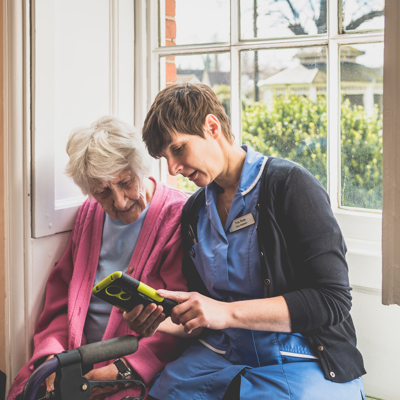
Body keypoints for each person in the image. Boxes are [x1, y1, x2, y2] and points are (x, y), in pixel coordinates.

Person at [124, 83, 367, 399]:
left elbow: (332, 300)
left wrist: (226, 313)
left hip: (301, 355)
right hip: (222, 352)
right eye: (164, 157)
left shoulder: (290, 185)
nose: (172, 168)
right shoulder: (195, 210)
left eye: (179, 149)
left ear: (212, 127)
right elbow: (204, 318)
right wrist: (156, 322)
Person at [7, 116, 188, 400]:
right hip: (75, 360)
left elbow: (180, 324)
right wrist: (53, 359)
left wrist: (121, 371)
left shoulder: (177, 216)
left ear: (140, 167)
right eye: (102, 192)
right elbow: (60, 303)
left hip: (132, 369)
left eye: (126, 182)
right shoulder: (89, 214)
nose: (119, 201)